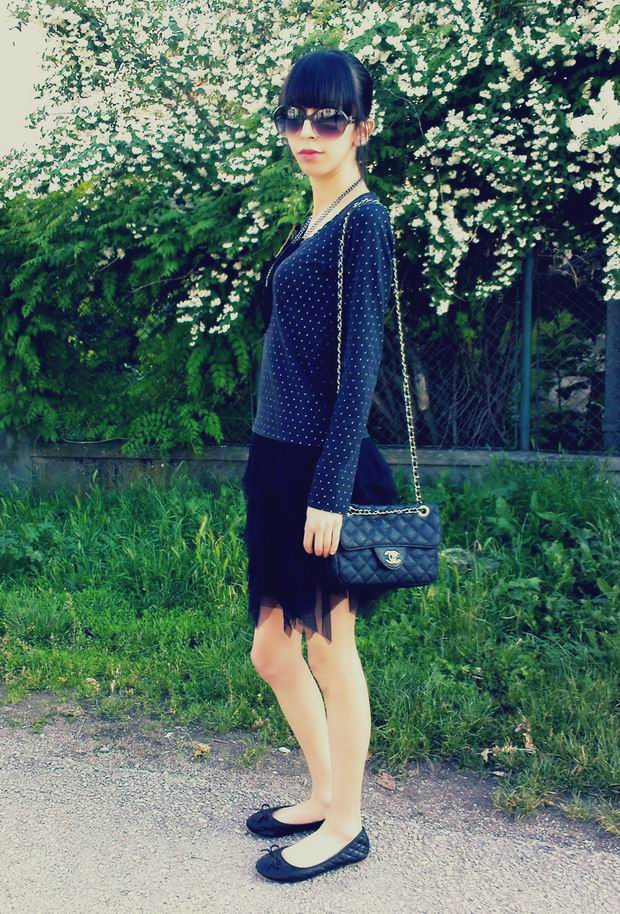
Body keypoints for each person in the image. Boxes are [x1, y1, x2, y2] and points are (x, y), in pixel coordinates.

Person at [241, 47, 400, 883]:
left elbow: (360, 368)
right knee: (274, 654)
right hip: (276, 461)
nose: (309, 132)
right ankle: (323, 792)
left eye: (329, 118)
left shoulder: (363, 223)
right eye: (295, 117)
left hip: (320, 474)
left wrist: (330, 492)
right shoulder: (313, 218)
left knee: (332, 653)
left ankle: (346, 825)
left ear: (362, 127)